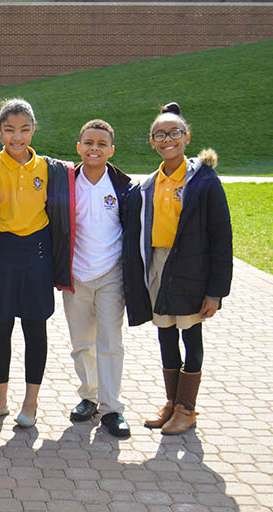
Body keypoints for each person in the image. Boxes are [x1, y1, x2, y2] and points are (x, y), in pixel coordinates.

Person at [123, 102, 232, 435]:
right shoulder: (149, 184)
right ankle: (171, 403)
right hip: (159, 264)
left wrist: (215, 292)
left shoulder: (205, 183)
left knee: (191, 335)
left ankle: (187, 409)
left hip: (191, 269)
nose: (166, 139)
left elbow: (221, 238)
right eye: (159, 134)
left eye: (173, 133)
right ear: (152, 141)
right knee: (165, 334)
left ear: (186, 137)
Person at [0, 98, 75, 428]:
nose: (17, 137)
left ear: (33, 130)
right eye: (10, 130)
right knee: (0, 329)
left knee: (34, 328)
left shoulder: (50, 169)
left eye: (25, 130)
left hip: (37, 254)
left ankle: (31, 403)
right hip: (1, 253)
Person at [62, 120, 132, 438]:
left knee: (110, 342)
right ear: (79, 147)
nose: (94, 148)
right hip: (76, 274)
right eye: (88, 142)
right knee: (82, 344)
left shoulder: (123, 186)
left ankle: (112, 408)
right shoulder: (66, 183)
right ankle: (88, 397)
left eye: (102, 144)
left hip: (110, 274)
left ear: (111, 150)